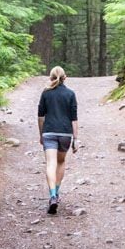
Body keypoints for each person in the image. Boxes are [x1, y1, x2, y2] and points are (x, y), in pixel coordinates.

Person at [37, 66, 78, 214]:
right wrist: (76, 139)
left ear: (51, 77)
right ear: (65, 78)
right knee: (60, 162)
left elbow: (41, 117)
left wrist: (41, 134)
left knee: (50, 163)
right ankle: (57, 192)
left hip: (49, 132)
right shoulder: (70, 94)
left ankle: (52, 195)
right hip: (65, 134)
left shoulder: (46, 94)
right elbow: (74, 119)